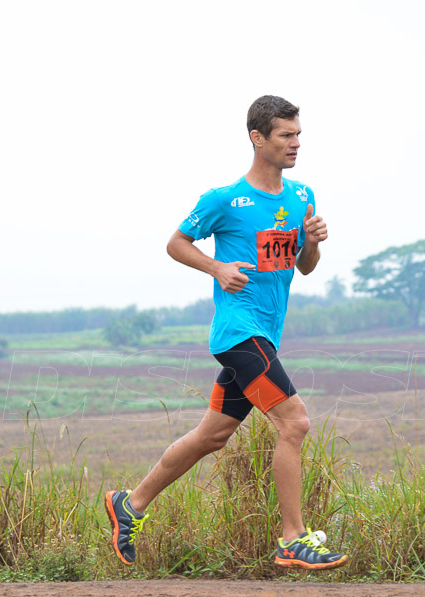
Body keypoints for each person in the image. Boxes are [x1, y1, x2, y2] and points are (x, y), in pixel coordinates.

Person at [105, 95, 347, 571]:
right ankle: (292, 538)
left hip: (267, 334)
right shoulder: (224, 200)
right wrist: (217, 268)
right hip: (238, 333)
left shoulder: (302, 197)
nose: (295, 143)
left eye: (298, 134)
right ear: (258, 139)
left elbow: (305, 267)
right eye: (285, 135)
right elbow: (176, 243)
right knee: (294, 422)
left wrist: (314, 243)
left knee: (212, 435)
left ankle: (128, 504)